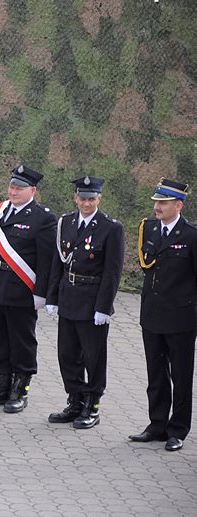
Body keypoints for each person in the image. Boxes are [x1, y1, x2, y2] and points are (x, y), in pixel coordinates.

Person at [0, 164, 56, 412]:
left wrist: (42, 293)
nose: (14, 191)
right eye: (12, 186)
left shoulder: (43, 218)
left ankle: (21, 387)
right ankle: (1, 383)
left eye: (20, 188)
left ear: (33, 190)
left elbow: (46, 260)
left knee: (21, 340)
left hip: (20, 288)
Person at [45, 176, 124, 429]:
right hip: (68, 296)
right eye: (82, 198)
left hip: (92, 300)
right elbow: (58, 262)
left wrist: (104, 307)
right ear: (75, 198)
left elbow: (112, 271)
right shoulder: (66, 222)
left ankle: (93, 404)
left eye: (91, 199)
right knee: (67, 354)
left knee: (94, 356)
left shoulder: (110, 227)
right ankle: (75, 400)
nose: (86, 203)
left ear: (99, 199)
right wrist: (52, 297)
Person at [128, 178, 197, 452]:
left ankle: (177, 429)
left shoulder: (191, 235)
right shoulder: (149, 228)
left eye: (164, 203)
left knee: (181, 376)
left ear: (178, 205)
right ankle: (157, 425)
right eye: (156, 202)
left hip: (180, 318)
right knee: (155, 374)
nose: (157, 207)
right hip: (153, 315)